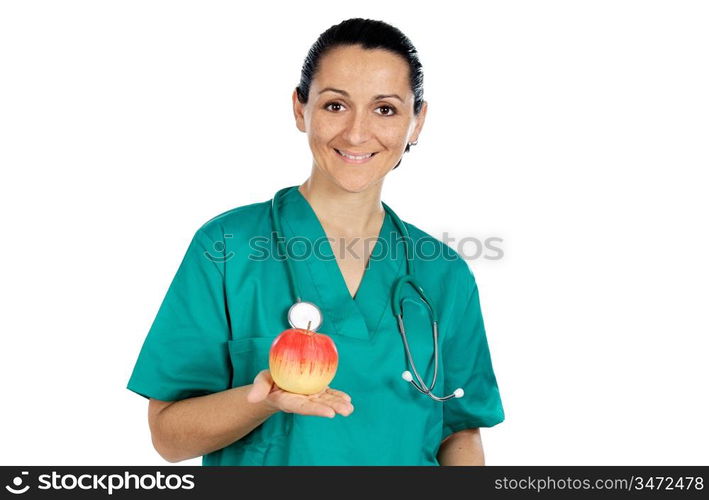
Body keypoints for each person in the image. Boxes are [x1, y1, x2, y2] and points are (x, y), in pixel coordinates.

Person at [127, 17, 504, 466]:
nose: (358, 133)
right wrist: (263, 398)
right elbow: (169, 438)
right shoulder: (227, 248)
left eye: (385, 109)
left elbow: (459, 431)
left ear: (416, 121)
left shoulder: (443, 272)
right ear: (299, 109)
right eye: (335, 106)